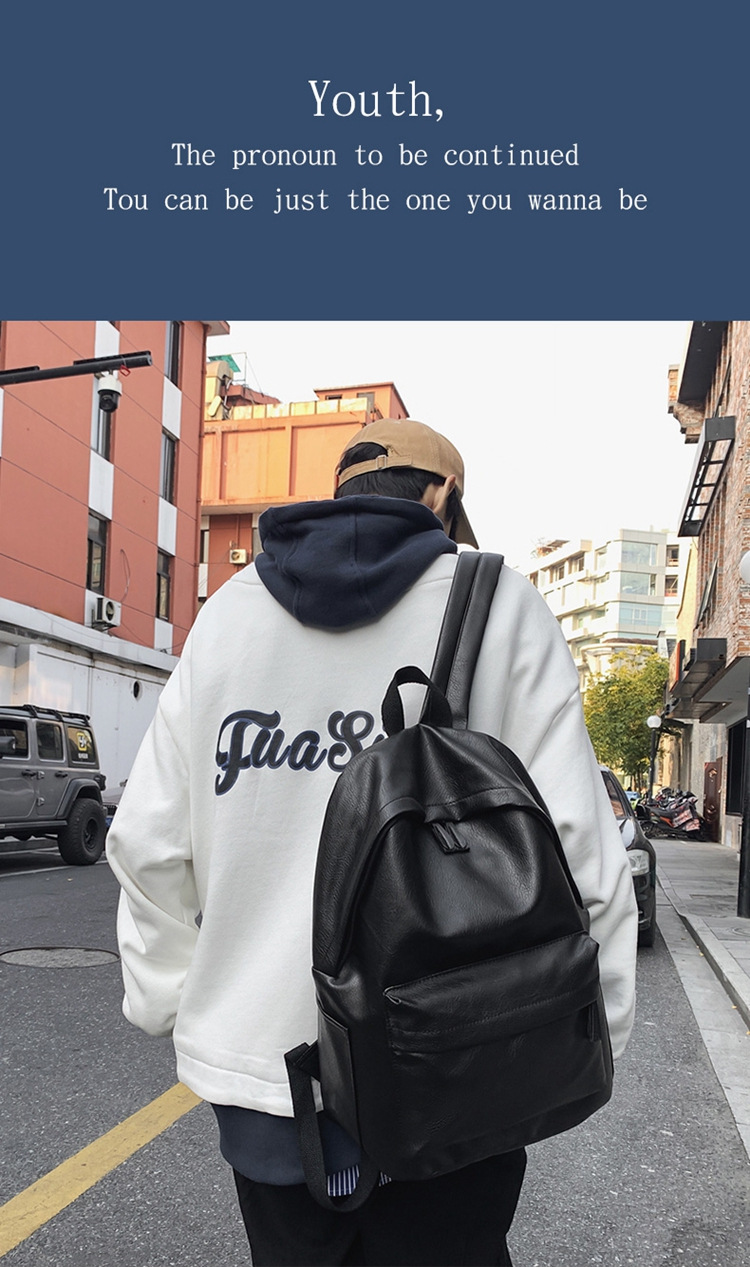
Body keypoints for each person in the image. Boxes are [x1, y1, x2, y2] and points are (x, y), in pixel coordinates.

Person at [107, 417, 638, 1267]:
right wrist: (585, 1028)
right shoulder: (499, 603)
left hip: (267, 1076)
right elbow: (579, 851)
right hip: (455, 1062)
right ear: (443, 496)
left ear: (342, 494)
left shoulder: (229, 614)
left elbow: (148, 843)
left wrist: (179, 1002)